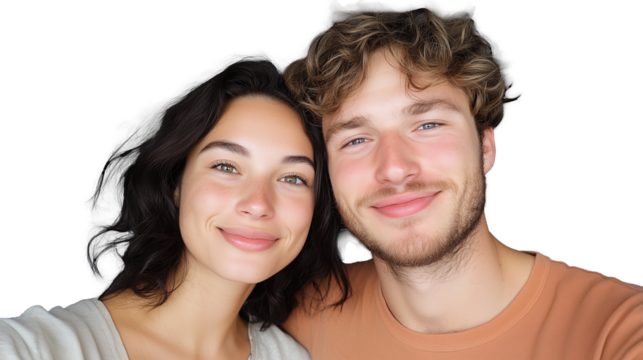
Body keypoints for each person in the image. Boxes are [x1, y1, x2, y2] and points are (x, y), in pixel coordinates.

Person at [279, 1, 643, 359]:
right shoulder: (294, 319)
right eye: (356, 139)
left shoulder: (618, 330)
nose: (393, 168)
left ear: (485, 146)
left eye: (428, 125)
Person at [0, 53, 351, 360]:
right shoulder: (31, 348)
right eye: (226, 167)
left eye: (293, 178)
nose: (257, 204)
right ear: (175, 184)